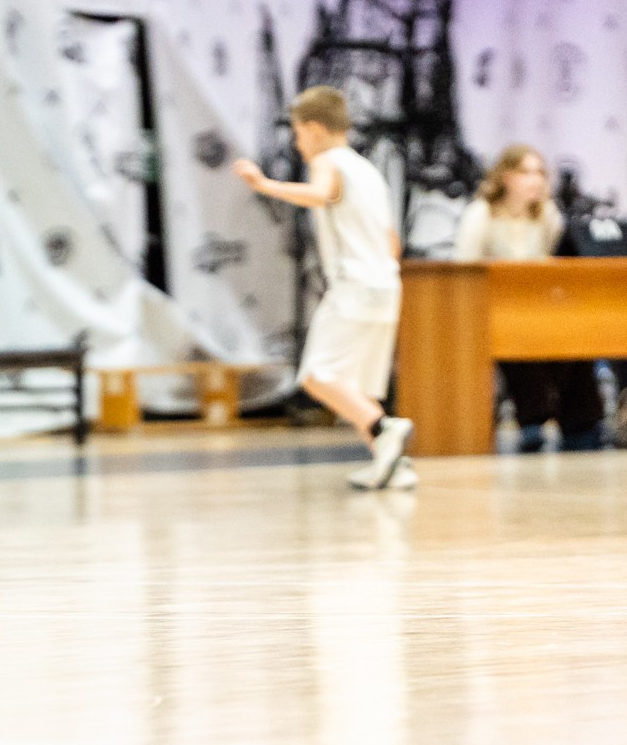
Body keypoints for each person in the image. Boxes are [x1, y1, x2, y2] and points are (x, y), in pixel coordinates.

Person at [234, 87, 414, 490]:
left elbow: (319, 195)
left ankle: (385, 429)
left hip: (354, 284)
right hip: (386, 284)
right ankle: (393, 464)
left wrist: (264, 184)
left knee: (317, 375)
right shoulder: (369, 171)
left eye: (298, 135)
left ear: (314, 130)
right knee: (356, 385)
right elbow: (392, 242)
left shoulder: (329, 161)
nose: (298, 146)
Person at [454, 144, 607, 451]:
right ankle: (532, 420)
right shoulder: (481, 214)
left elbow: (556, 264)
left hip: (538, 308)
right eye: (526, 172)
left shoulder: (547, 216)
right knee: (520, 336)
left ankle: (582, 424)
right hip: (492, 311)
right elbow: (464, 270)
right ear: (506, 177)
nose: (535, 180)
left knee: (574, 336)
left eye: (540, 172)